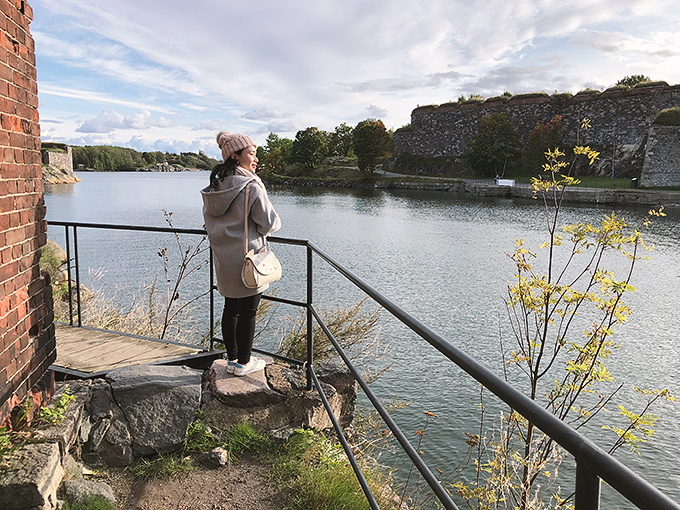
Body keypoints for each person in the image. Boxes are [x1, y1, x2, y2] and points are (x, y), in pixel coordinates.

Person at [201, 131, 281, 377]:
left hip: (223, 258)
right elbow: (269, 222)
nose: (256, 159)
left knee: (230, 308)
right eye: (251, 153)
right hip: (248, 258)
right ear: (235, 156)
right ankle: (244, 364)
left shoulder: (215, 186)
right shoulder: (251, 185)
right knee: (248, 311)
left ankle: (233, 359)